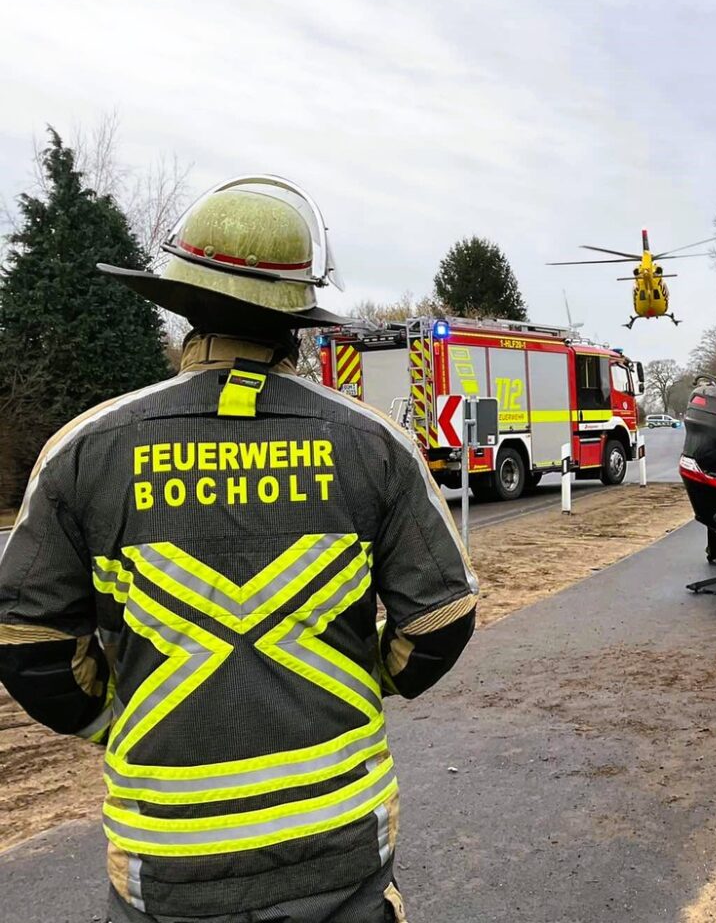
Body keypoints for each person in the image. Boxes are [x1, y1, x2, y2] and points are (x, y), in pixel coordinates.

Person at [0, 176, 477, 923]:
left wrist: (115, 718)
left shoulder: (84, 450)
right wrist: (363, 681)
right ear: (297, 322)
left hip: (169, 864)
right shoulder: (376, 446)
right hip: (341, 845)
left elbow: (27, 639)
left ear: (183, 307)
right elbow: (442, 617)